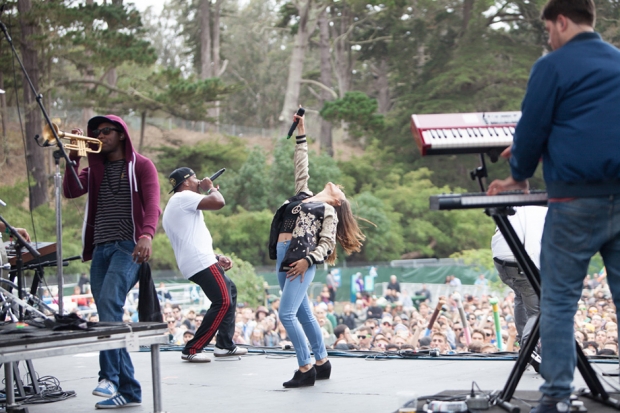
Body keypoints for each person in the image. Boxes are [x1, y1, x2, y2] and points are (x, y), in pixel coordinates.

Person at [486, 1, 620, 411]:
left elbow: (533, 126)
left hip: (574, 201)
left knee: (559, 302)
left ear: (561, 21)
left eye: (548, 29)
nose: (548, 38)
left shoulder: (553, 66)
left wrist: (518, 175)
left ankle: (556, 398)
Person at [63, 114, 160, 409]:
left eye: (106, 131)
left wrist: (147, 235)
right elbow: (70, 190)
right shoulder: (95, 170)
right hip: (101, 249)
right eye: (96, 132)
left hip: (128, 247)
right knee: (109, 313)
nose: (100, 136)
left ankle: (109, 377)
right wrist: (74, 157)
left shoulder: (141, 165)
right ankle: (129, 392)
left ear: (121, 134)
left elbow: (153, 203)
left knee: (108, 303)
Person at [268, 112, 365, 388]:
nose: (337, 186)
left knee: (286, 314)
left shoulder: (327, 211)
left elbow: (327, 244)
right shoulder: (304, 195)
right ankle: (322, 362)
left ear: (337, 202)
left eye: (341, 191)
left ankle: (305, 367)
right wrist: (302, 130)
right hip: (283, 252)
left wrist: (307, 260)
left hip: (299, 260)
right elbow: (302, 164)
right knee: (303, 313)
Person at [162, 167, 248, 362]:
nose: (199, 180)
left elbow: (190, 238)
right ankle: (192, 349)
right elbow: (219, 202)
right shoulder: (184, 197)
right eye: (194, 178)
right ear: (185, 183)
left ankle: (224, 345)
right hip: (199, 261)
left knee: (230, 290)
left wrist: (216, 257)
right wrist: (211, 188)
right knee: (223, 301)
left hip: (198, 260)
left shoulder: (179, 202)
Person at [491, 206, 547, 348]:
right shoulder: (550, 214)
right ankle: (528, 343)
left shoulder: (518, 208)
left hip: (499, 259)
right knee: (538, 310)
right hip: (520, 260)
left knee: (520, 294)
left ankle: (523, 339)